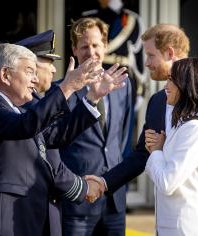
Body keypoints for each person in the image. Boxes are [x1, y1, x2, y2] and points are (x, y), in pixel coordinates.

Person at [0, 43, 127, 235]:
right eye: (29, 71)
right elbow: (25, 125)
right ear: (5, 75)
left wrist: (92, 98)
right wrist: (67, 87)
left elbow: (54, 136)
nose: (35, 79)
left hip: (23, 219)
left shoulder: (17, 111)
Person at [87, 23, 198, 236]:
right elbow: (141, 154)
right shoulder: (157, 101)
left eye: (150, 55)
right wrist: (104, 182)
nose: (146, 64)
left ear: (169, 53)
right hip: (167, 218)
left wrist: (170, 157)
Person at [59, 17, 132, 236]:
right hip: (78, 200)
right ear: (74, 49)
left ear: (105, 46)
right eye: (84, 46)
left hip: (115, 199)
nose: (91, 52)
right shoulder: (63, 91)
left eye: (96, 45)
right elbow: (56, 142)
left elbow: (123, 137)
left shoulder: (123, 85)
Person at [144, 57, 198, 235]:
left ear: (187, 85)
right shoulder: (185, 123)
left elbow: (167, 183)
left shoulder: (195, 128)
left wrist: (156, 152)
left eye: (171, 79)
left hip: (188, 228)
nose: (165, 86)